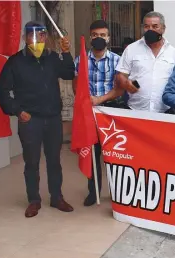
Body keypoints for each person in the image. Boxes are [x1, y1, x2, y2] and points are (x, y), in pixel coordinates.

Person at [0, 21, 76, 218]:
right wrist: (17, 111)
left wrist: (65, 53)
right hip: (30, 120)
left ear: (45, 37)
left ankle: (56, 197)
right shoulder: (15, 62)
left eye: (40, 35)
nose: (36, 39)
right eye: (31, 35)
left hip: (53, 118)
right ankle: (34, 200)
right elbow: (1, 91)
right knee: (31, 162)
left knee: (54, 161)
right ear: (24, 38)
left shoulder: (52, 58)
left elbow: (68, 73)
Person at [73, 20, 124, 207]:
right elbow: (76, 84)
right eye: (95, 35)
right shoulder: (81, 59)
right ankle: (93, 192)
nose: (99, 38)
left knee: (113, 153)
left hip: (110, 111)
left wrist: (99, 100)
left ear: (108, 38)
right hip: (88, 114)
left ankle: (117, 192)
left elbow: (119, 90)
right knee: (92, 153)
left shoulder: (118, 60)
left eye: (103, 35)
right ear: (90, 37)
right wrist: (84, 101)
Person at [115, 11, 175, 114]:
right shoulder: (131, 49)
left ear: (163, 28)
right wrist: (125, 82)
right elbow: (120, 75)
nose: (150, 30)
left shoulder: (172, 52)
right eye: (146, 26)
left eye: (155, 26)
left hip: (165, 112)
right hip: (135, 111)